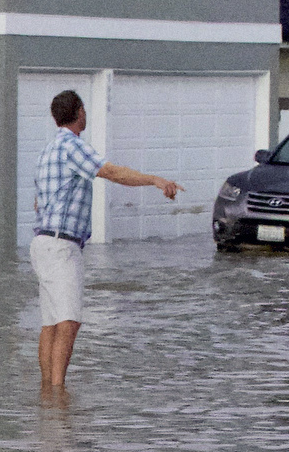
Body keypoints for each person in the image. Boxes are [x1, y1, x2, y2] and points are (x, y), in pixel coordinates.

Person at [28, 88, 181, 393]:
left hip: (42, 243)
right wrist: (155, 180)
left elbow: (37, 204)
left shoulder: (48, 151)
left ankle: (47, 392)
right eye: (84, 110)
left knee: (51, 323)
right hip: (61, 246)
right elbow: (110, 172)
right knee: (69, 322)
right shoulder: (72, 147)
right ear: (80, 112)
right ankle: (58, 395)